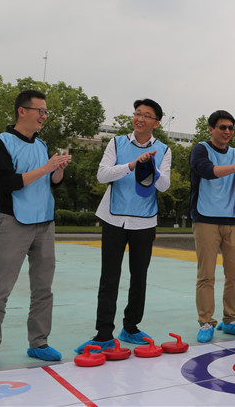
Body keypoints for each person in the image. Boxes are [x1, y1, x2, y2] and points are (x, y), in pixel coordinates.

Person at [0, 90, 72, 370]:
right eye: (40, 111)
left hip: (45, 222)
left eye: (46, 112)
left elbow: (50, 183)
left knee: (43, 288)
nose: (44, 116)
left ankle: (39, 342)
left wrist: (57, 170)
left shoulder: (41, 144)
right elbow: (6, 184)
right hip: (14, 222)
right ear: (22, 111)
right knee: (1, 288)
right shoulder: (0, 143)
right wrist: (46, 167)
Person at [75, 99, 171, 353]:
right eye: (137, 113)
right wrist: (132, 165)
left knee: (139, 277)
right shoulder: (116, 142)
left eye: (147, 115)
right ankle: (103, 334)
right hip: (113, 218)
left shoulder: (164, 150)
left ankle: (131, 327)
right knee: (109, 277)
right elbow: (102, 174)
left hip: (144, 220)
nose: (140, 118)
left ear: (156, 123)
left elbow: (164, 186)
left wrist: (151, 167)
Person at [190, 110, 235, 343]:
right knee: (206, 275)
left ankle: (231, 319)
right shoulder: (201, 149)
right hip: (205, 219)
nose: (227, 131)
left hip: (231, 220)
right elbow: (208, 172)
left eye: (231, 128)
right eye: (222, 127)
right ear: (211, 129)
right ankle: (206, 321)